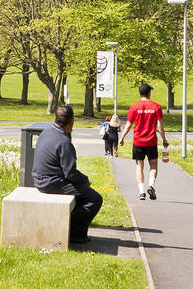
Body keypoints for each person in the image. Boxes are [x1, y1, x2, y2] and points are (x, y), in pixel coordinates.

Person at [33, 105, 102, 244]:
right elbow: (70, 173)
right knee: (94, 198)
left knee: (83, 194)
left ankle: (71, 226)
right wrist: (85, 180)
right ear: (72, 121)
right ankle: (75, 234)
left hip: (39, 179)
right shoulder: (64, 142)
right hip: (51, 183)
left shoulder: (46, 132)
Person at [118, 84, 168, 201]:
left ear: (140, 93)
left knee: (139, 166)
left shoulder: (134, 107)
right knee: (153, 165)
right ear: (149, 93)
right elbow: (160, 125)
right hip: (151, 141)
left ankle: (141, 192)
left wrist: (122, 137)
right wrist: (164, 139)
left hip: (138, 141)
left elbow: (129, 124)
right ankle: (151, 185)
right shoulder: (156, 107)